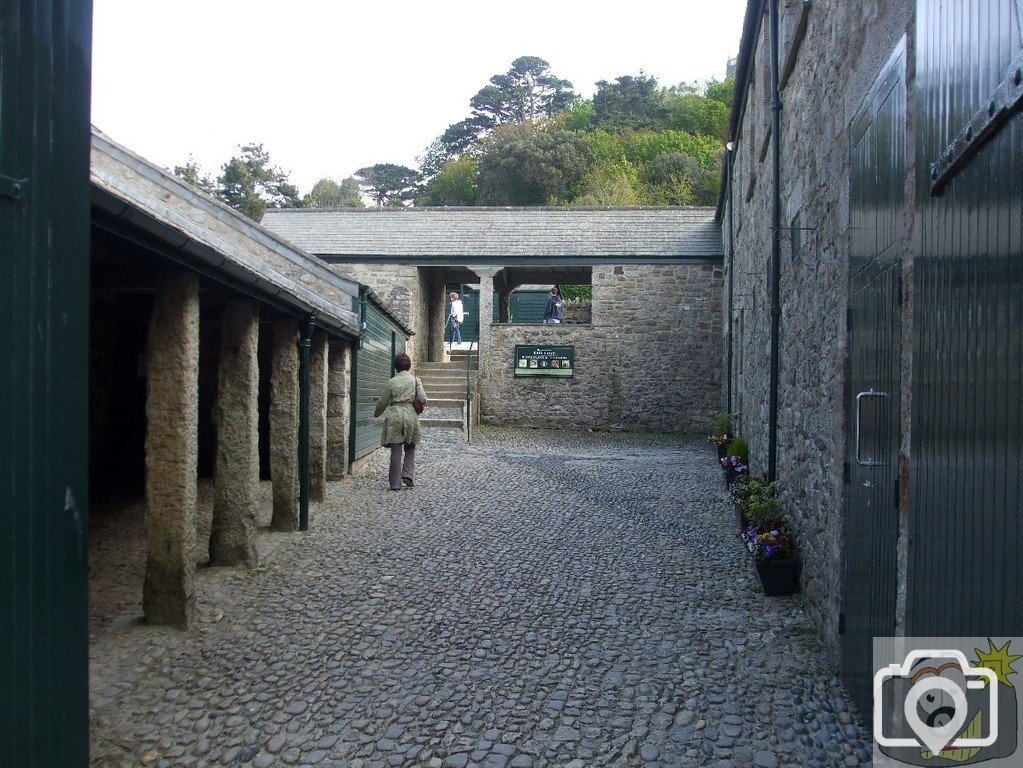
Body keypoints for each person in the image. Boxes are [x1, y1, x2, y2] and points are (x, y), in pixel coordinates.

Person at [373, 353, 428, 491]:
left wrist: (376, 414)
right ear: (409, 366)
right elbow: (423, 399)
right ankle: (408, 475)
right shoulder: (416, 380)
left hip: (395, 416)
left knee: (396, 450)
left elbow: (382, 402)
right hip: (411, 415)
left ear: (395, 366)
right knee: (410, 446)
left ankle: (395, 483)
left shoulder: (391, 382)